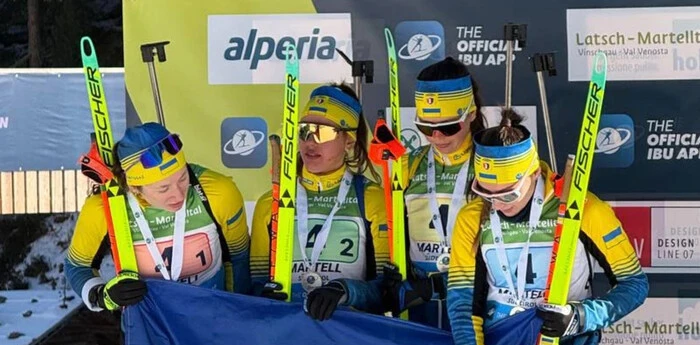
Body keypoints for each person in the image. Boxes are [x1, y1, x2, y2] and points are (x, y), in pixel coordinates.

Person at [446, 109, 649, 345]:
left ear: (532, 173)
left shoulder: (583, 209)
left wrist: (580, 317)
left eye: (507, 194)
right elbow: (464, 310)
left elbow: (635, 284)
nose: (497, 204)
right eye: (485, 192)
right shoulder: (472, 219)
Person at [65, 122, 252, 312]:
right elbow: (77, 266)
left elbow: (239, 257)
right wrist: (101, 296)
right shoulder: (104, 209)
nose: (178, 194)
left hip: (213, 315)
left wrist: (240, 312)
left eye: (183, 178)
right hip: (150, 322)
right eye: (163, 188)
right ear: (135, 188)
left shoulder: (218, 192)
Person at [250, 83, 390, 320]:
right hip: (287, 331)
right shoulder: (271, 202)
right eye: (304, 130)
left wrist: (345, 291)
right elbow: (251, 285)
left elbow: (386, 291)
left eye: (323, 133)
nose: (310, 142)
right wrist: (263, 298)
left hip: (348, 331)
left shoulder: (371, 199)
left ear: (349, 140)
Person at [382, 57, 486, 330]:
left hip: (475, 302)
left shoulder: (491, 164)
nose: (436, 136)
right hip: (419, 304)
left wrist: (440, 284)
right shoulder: (407, 165)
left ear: (472, 114)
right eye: (426, 127)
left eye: (449, 127)